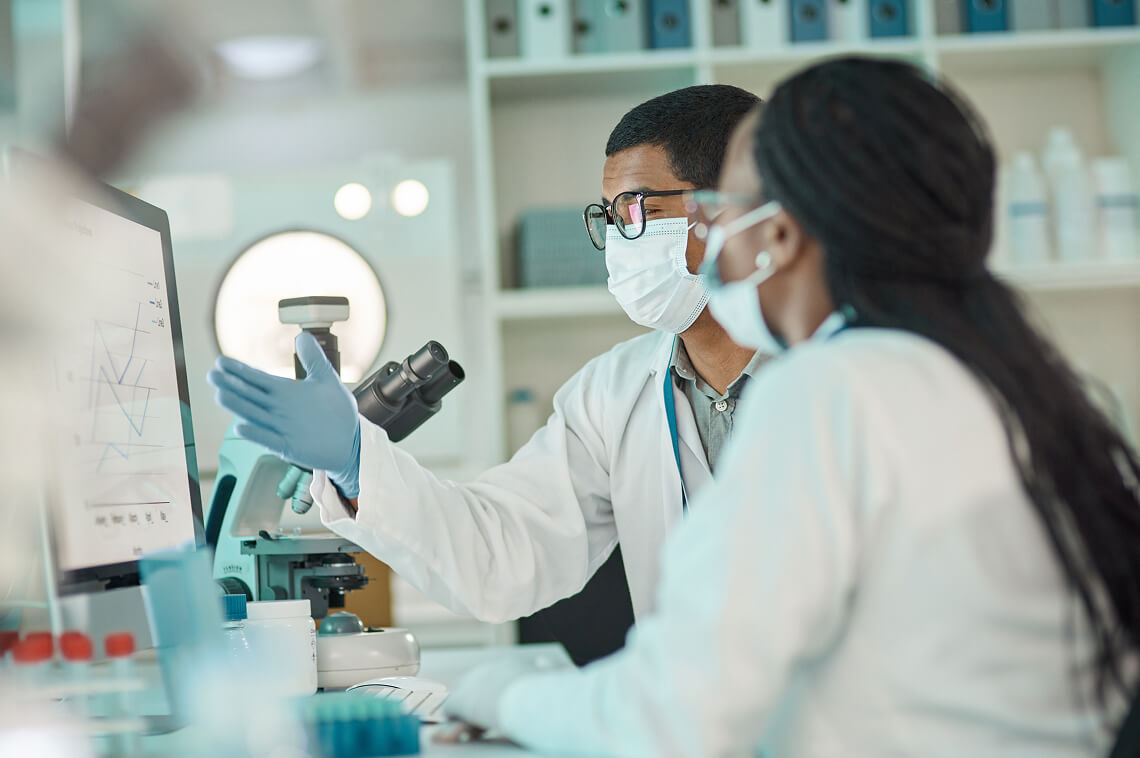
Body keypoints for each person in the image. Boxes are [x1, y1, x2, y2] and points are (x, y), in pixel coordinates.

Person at [441, 57, 1140, 756]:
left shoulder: (832, 388)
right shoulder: (1003, 375)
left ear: (777, 232)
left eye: (726, 208)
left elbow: (670, 716)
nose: (713, 239)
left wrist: (498, 693)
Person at [206, 85, 767, 653]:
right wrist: (356, 461)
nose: (619, 238)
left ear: (731, 207)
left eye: (636, 208)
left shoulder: (838, 375)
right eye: (609, 214)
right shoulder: (611, 395)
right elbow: (499, 555)